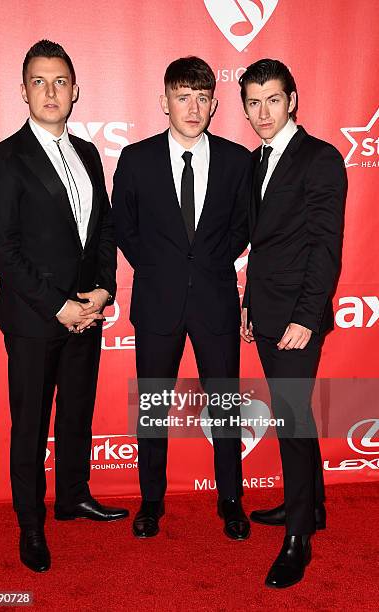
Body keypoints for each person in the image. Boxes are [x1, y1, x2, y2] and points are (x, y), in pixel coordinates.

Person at [0, 39, 128, 573]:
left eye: (60, 81)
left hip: (87, 313)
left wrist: (104, 290)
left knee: (76, 417)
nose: (50, 91)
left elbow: (104, 226)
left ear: (75, 91)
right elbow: (3, 249)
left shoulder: (88, 153)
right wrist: (58, 305)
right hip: (35, 318)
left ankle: (72, 497)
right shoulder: (1, 159)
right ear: (22, 91)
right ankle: (30, 525)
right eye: (39, 81)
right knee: (30, 424)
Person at [112, 56, 251, 540]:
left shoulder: (238, 160)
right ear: (164, 101)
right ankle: (151, 501)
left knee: (225, 406)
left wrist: (208, 264)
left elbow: (242, 229)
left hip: (214, 299)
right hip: (157, 301)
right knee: (152, 405)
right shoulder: (136, 158)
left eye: (201, 98)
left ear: (213, 104)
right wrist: (158, 267)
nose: (192, 108)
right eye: (182, 96)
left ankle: (231, 500)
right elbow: (123, 228)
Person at [239, 58, 347, 588]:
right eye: (253, 103)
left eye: (272, 100)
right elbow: (263, 246)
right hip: (266, 311)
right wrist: (249, 304)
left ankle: (298, 537)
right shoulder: (257, 162)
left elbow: (326, 247)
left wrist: (307, 316)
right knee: (293, 414)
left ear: (293, 100)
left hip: (298, 318)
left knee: (290, 418)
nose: (262, 112)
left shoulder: (320, 158)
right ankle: (314, 505)